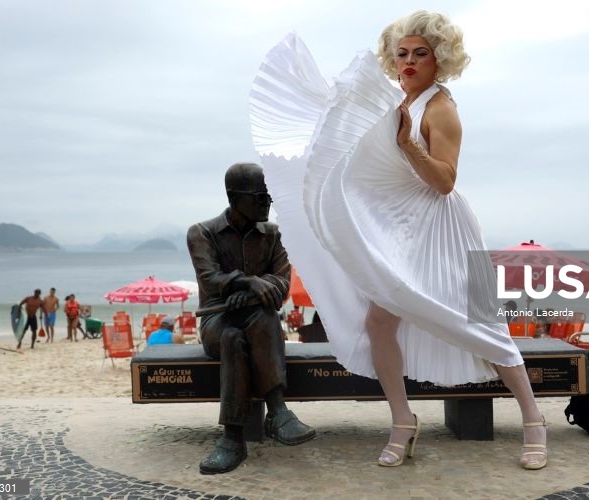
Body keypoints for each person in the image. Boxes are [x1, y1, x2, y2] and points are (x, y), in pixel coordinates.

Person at [250, 11, 547, 470]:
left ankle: (533, 421)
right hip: (402, 228)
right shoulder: (395, 102)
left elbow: (445, 182)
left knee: (485, 326)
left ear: (439, 59)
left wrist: (409, 145)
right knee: (379, 323)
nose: (408, 61)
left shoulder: (441, 108)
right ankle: (403, 421)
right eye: (402, 53)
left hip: (444, 229)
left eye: (420, 54)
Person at [187, 162, 316, 475]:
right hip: (217, 323)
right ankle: (275, 414)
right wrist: (249, 281)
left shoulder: (274, 235)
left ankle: (235, 436)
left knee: (255, 319)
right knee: (233, 332)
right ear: (234, 198)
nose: (267, 204)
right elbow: (209, 279)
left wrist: (251, 292)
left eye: (269, 197)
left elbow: (282, 284)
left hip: (257, 323)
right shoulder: (202, 233)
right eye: (259, 197)